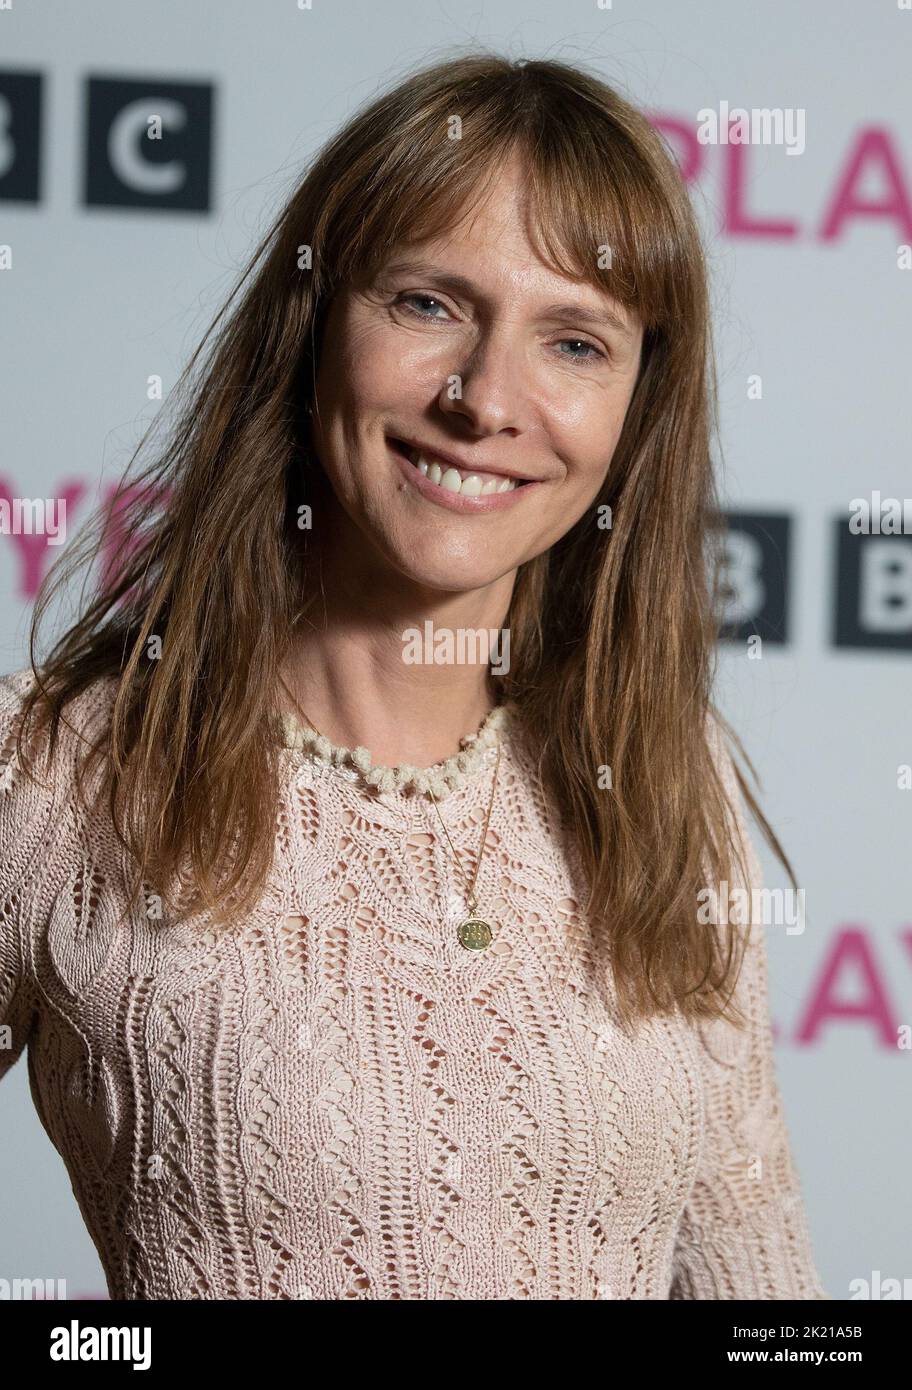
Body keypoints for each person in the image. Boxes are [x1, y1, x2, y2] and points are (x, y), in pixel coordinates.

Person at [0, 53, 827, 1300]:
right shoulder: (59, 774)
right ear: (315, 322)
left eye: (574, 340)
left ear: (634, 409)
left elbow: (762, 1301)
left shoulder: (665, 779)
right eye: (428, 304)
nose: (487, 400)